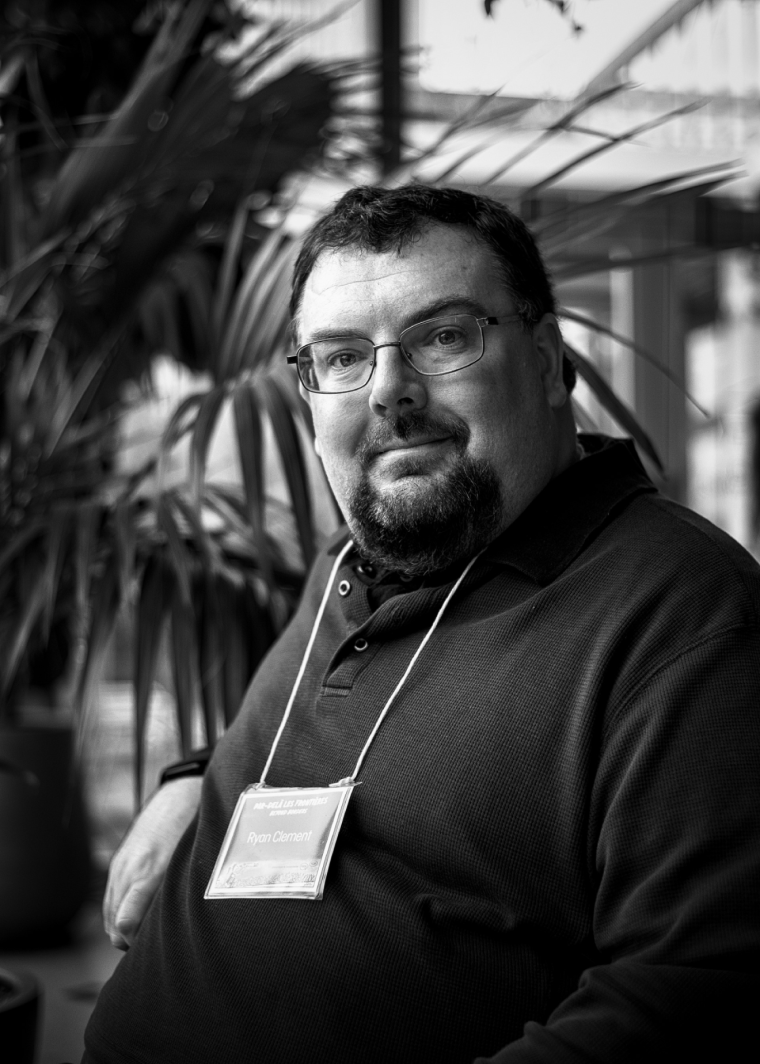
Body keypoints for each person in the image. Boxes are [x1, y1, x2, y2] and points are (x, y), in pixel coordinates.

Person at [84, 185, 760, 1063]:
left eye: (444, 336)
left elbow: (686, 1001)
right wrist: (194, 779)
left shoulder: (686, 621)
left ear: (553, 363)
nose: (390, 392)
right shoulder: (359, 560)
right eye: (340, 358)